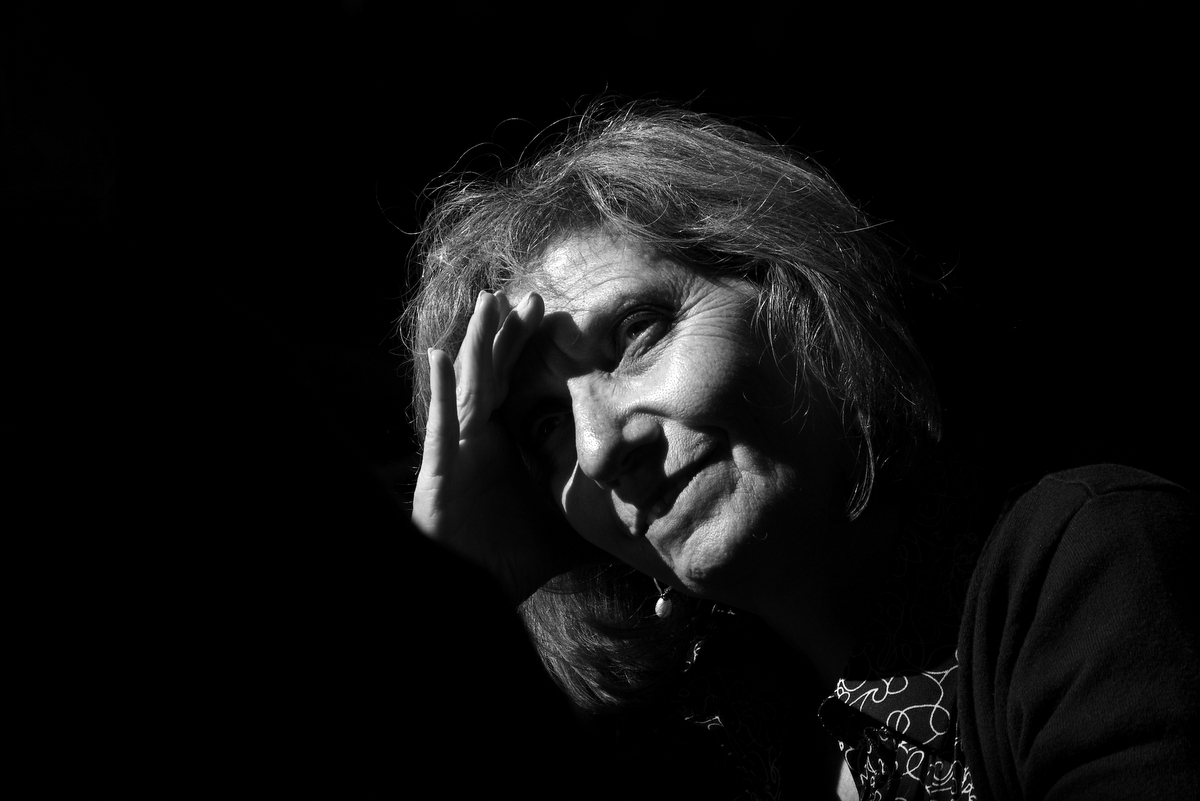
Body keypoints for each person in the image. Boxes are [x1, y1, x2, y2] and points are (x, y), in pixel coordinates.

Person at [402, 101, 1198, 799]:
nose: (600, 446)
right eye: (544, 425)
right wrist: (457, 604)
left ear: (798, 299)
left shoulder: (1093, 562)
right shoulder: (684, 748)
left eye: (636, 332)